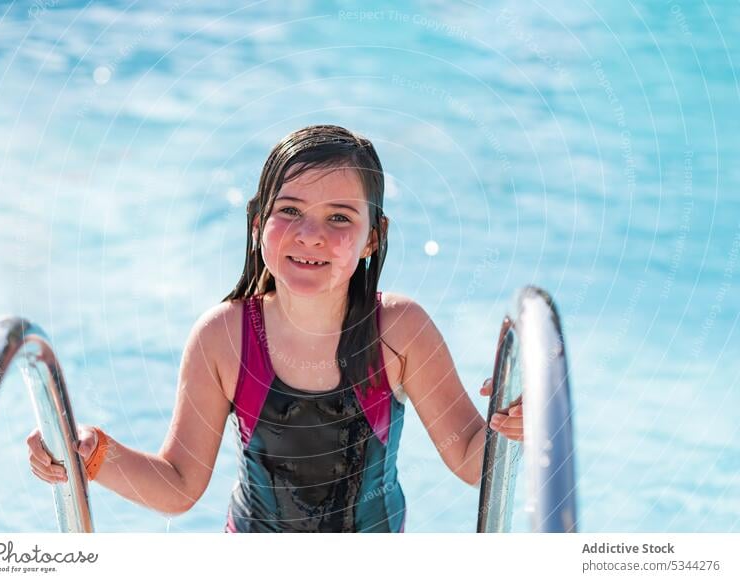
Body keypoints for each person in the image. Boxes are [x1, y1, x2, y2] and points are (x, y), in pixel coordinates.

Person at [26, 124, 523, 532]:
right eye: (290, 211)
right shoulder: (224, 338)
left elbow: (468, 457)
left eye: (339, 218)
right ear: (257, 221)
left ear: (373, 238)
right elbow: (178, 485)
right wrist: (91, 452)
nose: (311, 235)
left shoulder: (400, 332)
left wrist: (518, 422)